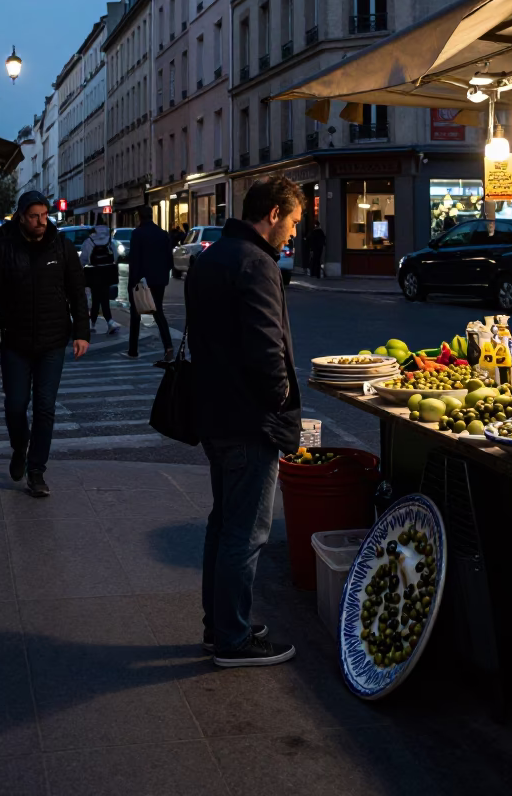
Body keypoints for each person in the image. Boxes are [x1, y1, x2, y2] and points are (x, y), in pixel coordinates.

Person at [186, 175, 304, 668]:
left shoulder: (209, 258)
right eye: (294, 221)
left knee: (223, 523)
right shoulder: (256, 264)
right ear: (273, 214)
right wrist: (279, 403)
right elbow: (266, 348)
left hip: (213, 411)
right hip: (249, 419)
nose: (295, 233)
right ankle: (233, 639)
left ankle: (220, 625)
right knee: (247, 532)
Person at [0, 190, 89, 498]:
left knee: (45, 407)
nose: (41, 222)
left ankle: (37, 470)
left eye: (44, 216)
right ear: (21, 217)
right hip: (15, 340)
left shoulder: (62, 247)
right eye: (34, 216)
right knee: (15, 405)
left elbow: (77, 293)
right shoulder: (4, 250)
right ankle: (19, 447)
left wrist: (82, 332)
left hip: (53, 341)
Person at [126, 205, 174, 362]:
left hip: (141, 280)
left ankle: (133, 350)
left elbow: (134, 260)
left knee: (136, 313)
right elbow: (169, 260)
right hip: (159, 280)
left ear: (139, 217)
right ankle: (168, 346)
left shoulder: (137, 234)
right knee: (158, 312)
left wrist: (133, 281)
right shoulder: (163, 234)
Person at [79, 223, 120, 335]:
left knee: (97, 298)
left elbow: (83, 258)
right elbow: (115, 256)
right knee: (104, 297)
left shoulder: (89, 241)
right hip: (107, 273)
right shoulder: (109, 240)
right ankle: (108, 322)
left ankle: (94, 323)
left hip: (93, 273)